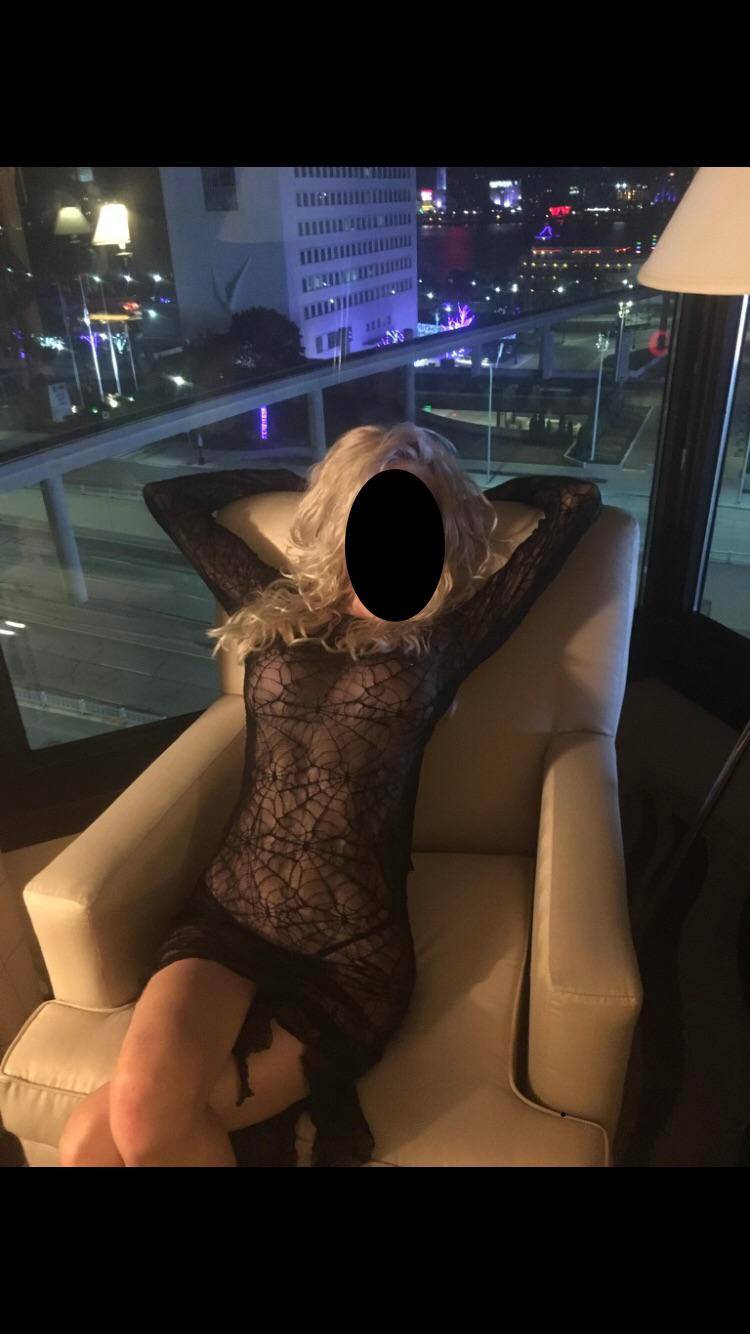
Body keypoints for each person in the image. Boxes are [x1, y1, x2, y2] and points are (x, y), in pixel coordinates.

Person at [58, 422, 603, 1168]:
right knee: (96, 1136)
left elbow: (574, 502)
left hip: (347, 953)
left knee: (117, 1132)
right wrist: (297, 477)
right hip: (227, 917)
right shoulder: (276, 606)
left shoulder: (450, 634)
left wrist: (472, 500)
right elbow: (171, 499)